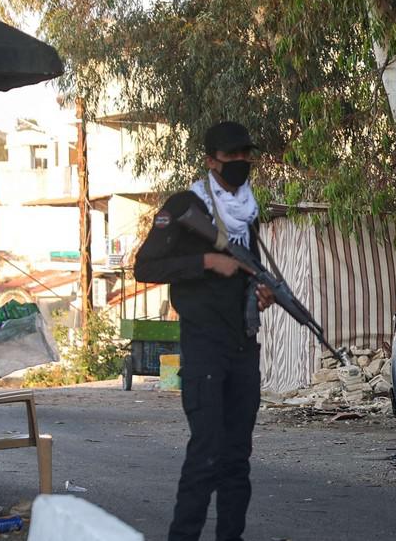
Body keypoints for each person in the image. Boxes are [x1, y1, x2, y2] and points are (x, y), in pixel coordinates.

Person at [134, 121, 274, 541]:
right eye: (232, 157)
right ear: (211, 161)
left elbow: (246, 275)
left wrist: (260, 292)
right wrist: (205, 263)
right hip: (204, 347)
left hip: (243, 346)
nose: (241, 164)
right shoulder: (183, 207)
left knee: (236, 460)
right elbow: (144, 267)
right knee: (206, 454)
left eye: (246, 157)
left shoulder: (246, 212)